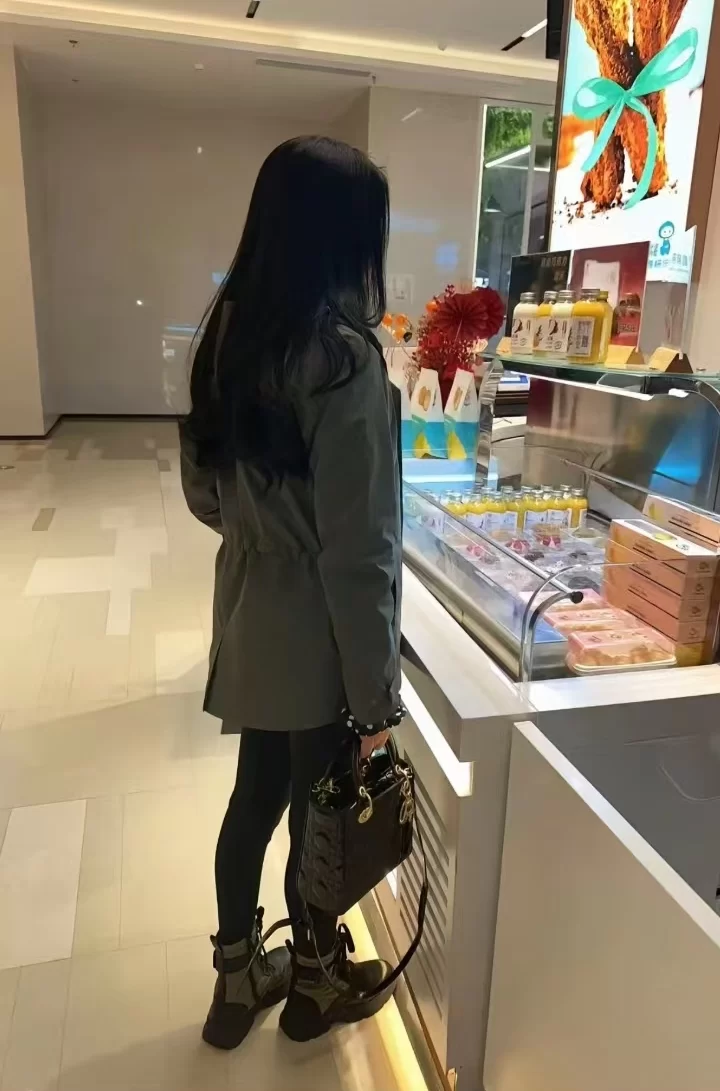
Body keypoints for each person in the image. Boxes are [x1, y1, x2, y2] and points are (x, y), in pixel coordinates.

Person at [180, 136, 402, 1050]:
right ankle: (315, 983)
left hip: (248, 612)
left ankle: (235, 987)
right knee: (323, 814)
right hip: (320, 633)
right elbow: (359, 550)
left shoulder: (224, 339)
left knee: (252, 802)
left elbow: (202, 494)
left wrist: (261, 535)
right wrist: (376, 697)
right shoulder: (346, 360)